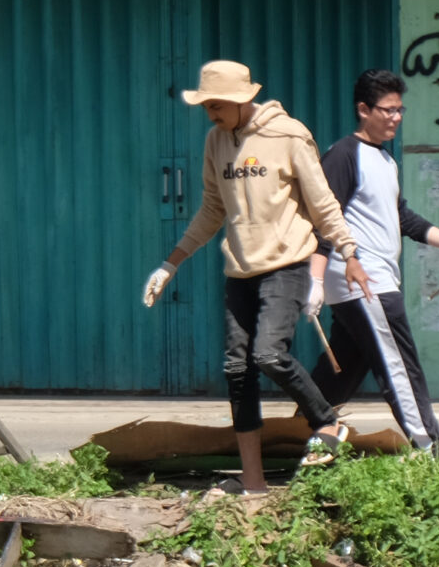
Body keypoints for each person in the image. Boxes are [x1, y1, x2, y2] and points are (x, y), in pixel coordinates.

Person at [143, 60, 370, 496]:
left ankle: (327, 422)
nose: (210, 113)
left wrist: (348, 252)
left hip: (286, 265)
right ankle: (254, 482)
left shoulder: (289, 136)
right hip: (240, 271)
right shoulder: (215, 141)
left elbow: (322, 203)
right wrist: (170, 264)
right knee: (237, 370)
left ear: (241, 99)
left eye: (216, 105)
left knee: (268, 354)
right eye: (206, 105)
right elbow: (213, 209)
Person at [302, 68, 439, 454]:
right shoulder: (344, 155)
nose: (396, 117)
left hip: (372, 280)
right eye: (388, 110)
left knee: (345, 366)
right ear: (364, 110)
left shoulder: (386, 160)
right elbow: (322, 221)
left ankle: (301, 433)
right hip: (363, 281)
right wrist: (315, 281)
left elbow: (402, 218)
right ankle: (431, 448)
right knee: (400, 365)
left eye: (400, 109)